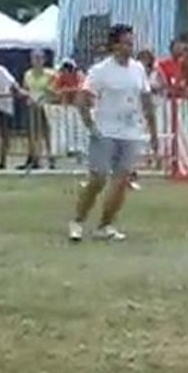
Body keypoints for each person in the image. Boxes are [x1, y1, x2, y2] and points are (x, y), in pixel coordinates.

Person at [69, 24, 158, 242]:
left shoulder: (138, 69)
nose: (130, 47)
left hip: (131, 132)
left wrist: (153, 131)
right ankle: (78, 220)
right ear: (115, 45)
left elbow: (146, 100)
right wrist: (90, 125)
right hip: (105, 131)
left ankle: (105, 224)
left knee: (121, 181)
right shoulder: (100, 70)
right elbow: (82, 97)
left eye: (131, 43)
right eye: (126, 43)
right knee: (98, 178)